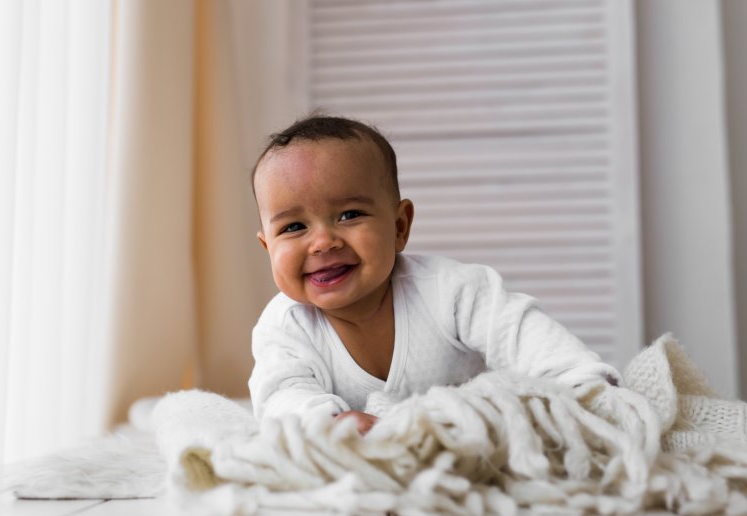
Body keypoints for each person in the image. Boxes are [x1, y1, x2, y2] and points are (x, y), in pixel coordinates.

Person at [248, 115, 620, 434]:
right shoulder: (285, 327)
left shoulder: (453, 291)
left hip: (466, 442)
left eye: (349, 215)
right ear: (268, 248)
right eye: (294, 226)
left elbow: (526, 337)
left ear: (399, 226)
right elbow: (281, 396)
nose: (323, 242)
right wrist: (330, 423)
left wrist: (583, 389)